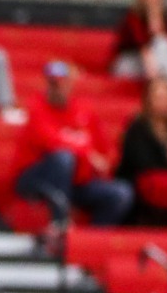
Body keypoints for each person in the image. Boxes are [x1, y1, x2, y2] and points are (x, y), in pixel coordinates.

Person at [16, 61, 134, 226]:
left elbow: (106, 149)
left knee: (121, 193)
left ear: (70, 84)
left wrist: (106, 162)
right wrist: (87, 153)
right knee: (63, 158)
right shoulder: (36, 107)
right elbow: (51, 141)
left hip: (76, 182)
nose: (56, 88)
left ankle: (91, 242)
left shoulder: (84, 110)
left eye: (60, 83)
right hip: (36, 178)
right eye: (52, 83)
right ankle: (60, 221)